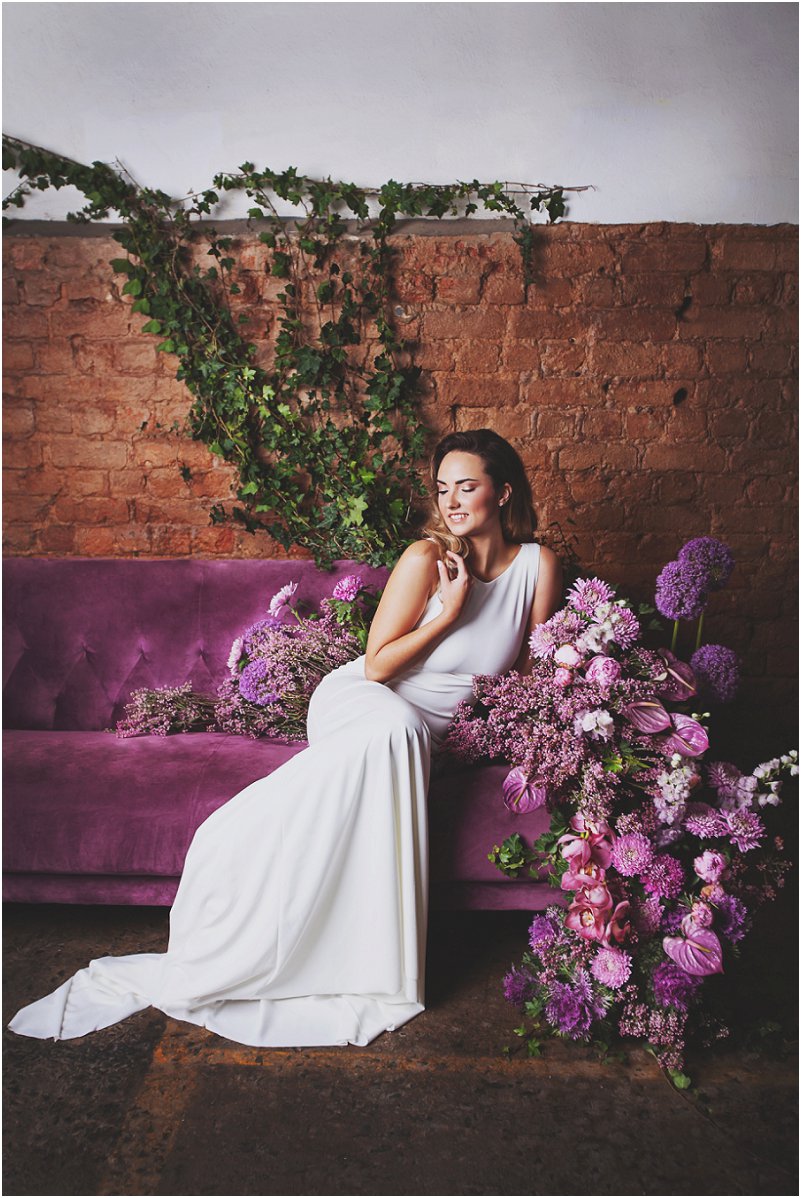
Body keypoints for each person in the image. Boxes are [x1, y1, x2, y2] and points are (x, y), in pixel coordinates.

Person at [9, 429, 562, 1048]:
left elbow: (528, 677)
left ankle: (360, 961)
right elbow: (378, 665)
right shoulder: (426, 560)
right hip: (368, 702)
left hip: (436, 731)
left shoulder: (537, 566)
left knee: (404, 739)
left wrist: (504, 734)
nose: (452, 502)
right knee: (398, 730)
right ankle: (231, 849)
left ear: (502, 492)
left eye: (467, 487)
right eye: (442, 489)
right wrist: (451, 611)